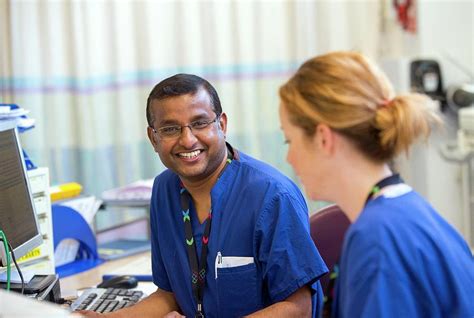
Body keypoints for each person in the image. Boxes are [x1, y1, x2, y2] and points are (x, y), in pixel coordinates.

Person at [81, 74, 328, 317]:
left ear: (221, 125)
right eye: (170, 129)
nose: (187, 140)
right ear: (153, 138)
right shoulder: (164, 190)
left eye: (199, 123)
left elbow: (299, 308)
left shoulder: (272, 196)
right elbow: (170, 294)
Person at [278, 51, 474, 317]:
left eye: (290, 141)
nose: (289, 157)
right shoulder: (414, 213)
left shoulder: (377, 239)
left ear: (324, 138)